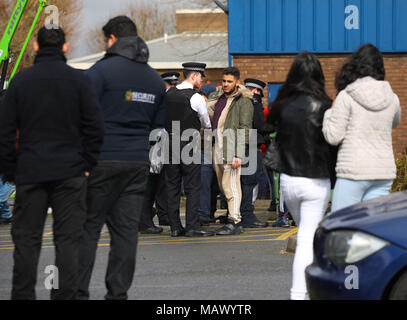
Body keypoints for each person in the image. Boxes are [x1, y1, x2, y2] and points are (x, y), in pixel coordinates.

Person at [0, 26, 104, 300]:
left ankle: (23, 295)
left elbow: (6, 131)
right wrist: (87, 164)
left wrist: (11, 170)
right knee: (68, 241)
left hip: (31, 171)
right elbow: (95, 128)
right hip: (70, 172)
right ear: (65, 47)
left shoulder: (21, 83)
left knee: (26, 241)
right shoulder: (79, 81)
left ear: (35, 46)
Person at [77, 16, 167, 300]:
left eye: (106, 40)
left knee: (87, 229)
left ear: (113, 39)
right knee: (126, 233)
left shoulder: (100, 73)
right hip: (136, 163)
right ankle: (117, 294)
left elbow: (81, 116)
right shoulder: (154, 79)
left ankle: (77, 291)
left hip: (100, 161)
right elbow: (156, 124)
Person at [268, 51, 336, 300]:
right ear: (318, 75)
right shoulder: (325, 105)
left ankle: (311, 289)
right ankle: (299, 294)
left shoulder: (282, 104)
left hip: (289, 179)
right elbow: (332, 145)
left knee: (307, 234)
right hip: (316, 179)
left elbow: (270, 129)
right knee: (308, 238)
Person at [323, 43, 401, 212]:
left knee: (342, 224)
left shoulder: (346, 95)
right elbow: (395, 122)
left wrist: (329, 113)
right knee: (372, 228)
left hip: (353, 169)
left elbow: (333, 137)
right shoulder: (392, 98)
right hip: (383, 172)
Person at [164, 63, 214, 237]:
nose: (201, 80)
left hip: (169, 142)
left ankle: (175, 227)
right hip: (188, 143)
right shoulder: (196, 97)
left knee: (172, 185)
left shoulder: (168, 94)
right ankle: (192, 226)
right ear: (193, 76)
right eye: (200, 76)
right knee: (193, 186)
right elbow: (207, 123)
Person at [207, 67, 254, 235]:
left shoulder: (244, 101)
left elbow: (245, 128)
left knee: (231, 185)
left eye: (229, 81)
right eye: (224, 81)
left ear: (237, 82)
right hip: (217, 146)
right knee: (223, 186)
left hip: (231, 148)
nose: (225, 84)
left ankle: (234, 221)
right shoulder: (218, 97)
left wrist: (238, 154)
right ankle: (233, 218)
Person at [239, 78, 271, 228]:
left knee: (239, 182)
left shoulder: (237, 100)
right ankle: (247, 215)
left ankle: (237, 214)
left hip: (238, 145)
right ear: (256, 91)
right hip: (251, 146)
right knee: (249, 181)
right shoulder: (255, 101)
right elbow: (259, 124)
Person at [197, 83, 219, 225]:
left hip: (205, 148)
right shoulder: (221, 105)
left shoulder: (206, 107)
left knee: (204, 183)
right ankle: (210, 212)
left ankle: (204, 214)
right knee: (214, 184)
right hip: (218, 149)